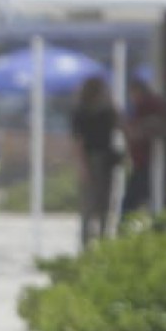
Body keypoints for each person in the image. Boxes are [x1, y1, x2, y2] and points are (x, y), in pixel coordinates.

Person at [69, 73, 122, 247]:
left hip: (101, 159)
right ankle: (93, 242)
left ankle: (95, 242)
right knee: (94, 205)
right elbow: (79, 142)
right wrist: (82, 166)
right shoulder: (84, 112)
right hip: (95, 158)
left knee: (99, 205)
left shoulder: (104, 111)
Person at [120, 75, 166, 217]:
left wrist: (125, 126)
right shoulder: (148, 106)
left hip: (146, 161)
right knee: (147, 198)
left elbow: (137, 133)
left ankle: (125, 229)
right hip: (144, 161)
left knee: (130, 202)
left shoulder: (146, 107)